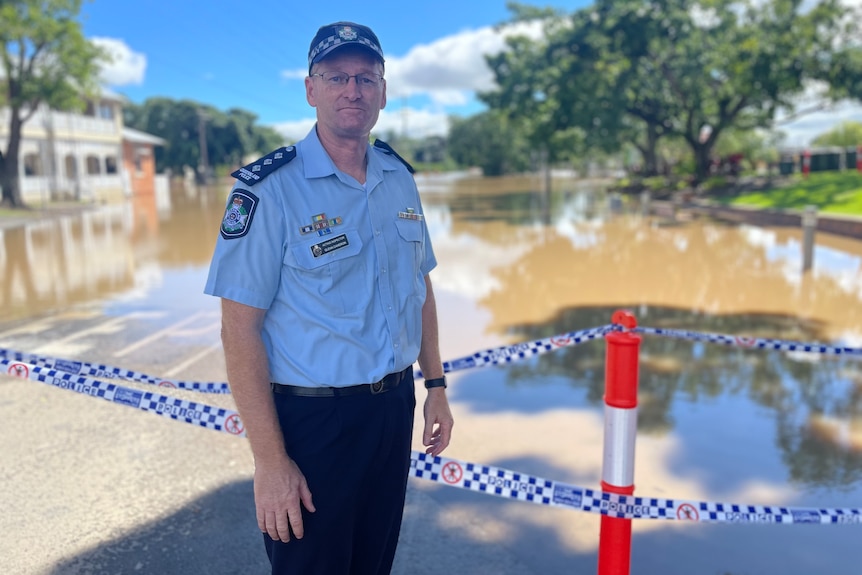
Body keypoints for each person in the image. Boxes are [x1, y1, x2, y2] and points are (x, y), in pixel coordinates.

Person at [204, 20, 454, 575]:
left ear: (383, 92)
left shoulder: (398, 177)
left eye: (367, 78)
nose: (353, 90)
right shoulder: (268, 189)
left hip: (393, 410)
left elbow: (421, 285)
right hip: (313, 423)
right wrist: (270, 462)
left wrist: (435, 385)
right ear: (310, 89)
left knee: (373, 563)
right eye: (336, 76)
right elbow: (238, 329)